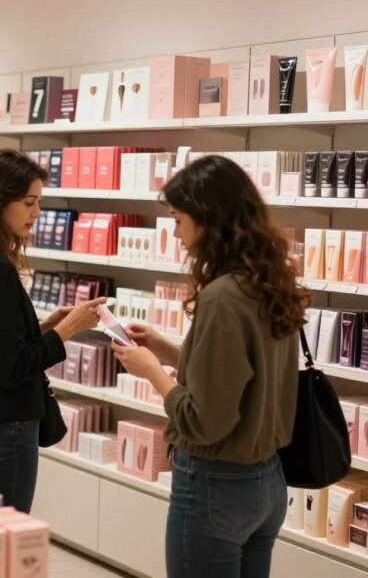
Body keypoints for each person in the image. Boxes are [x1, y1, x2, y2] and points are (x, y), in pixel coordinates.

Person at [111, 155, 309, 578]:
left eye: (179, 220)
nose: (176, 234)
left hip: (216, 483)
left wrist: (152, 372)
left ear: (208, 220)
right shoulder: (269, 284)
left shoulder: (221, 297)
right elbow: (244, 380)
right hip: (267, 483)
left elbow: (204, 421)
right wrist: (169, 350)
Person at [0, 149, 104, 514]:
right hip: (4, 431)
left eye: (38, 202)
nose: (37, 214)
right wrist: (67, 331)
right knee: (2, 546)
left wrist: (42, 327)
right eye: (29, 202)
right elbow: (11, 367)